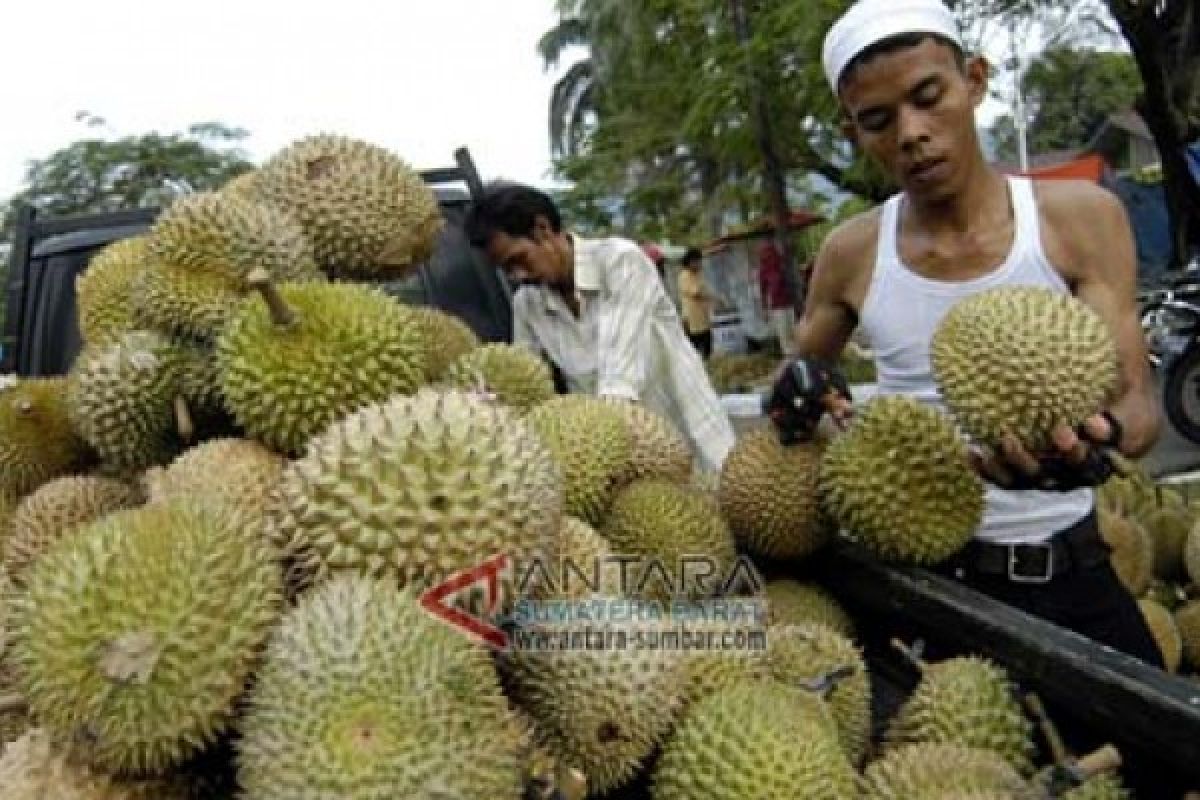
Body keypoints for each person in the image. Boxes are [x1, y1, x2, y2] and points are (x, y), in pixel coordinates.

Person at [765, 0, 1165, 667]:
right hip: (923, 590)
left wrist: (1104, 440)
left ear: (974, 80)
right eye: (878, 120)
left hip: (1067, 572)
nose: (912, 133)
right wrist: (801, 393)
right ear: (854, 131)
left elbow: (1140, 407)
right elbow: (794, 391)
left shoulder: (1080, 219)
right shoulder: (852, 253)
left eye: (929, 97)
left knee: (1163, 759)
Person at [465, 181, 737, 473]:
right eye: (507, 270)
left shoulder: (620, 262)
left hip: (690, 443)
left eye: (519, 260)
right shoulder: (527, 305)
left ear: (542, 230)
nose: (518, 276)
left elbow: (618, 378)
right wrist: (489, 405)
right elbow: (523, 378)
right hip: (616, 467)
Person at [758, 238, 797, 356]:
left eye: (768, 251)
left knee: (792, 333)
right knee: (784, 335)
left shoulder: (783, 264)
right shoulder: (763, 270)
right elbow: (763, 291)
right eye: (764, 252)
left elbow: (793, 281)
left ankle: (796, 357)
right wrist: (764, 309)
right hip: (777, 306)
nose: (766, 255)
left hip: (789, 303)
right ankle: (790, 359)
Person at [677, 247, 718, 358]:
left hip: (703, 318)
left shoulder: (698, 274)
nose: (699, 264)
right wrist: (711, 297)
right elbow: (695, 293)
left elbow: (705, 289)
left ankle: (708, 364)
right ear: (689, 262)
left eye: (700, 261)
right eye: (696, 262)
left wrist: (713, 299)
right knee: (694, 349)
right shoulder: (684, 276)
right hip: (692, 319)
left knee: (708, 346)